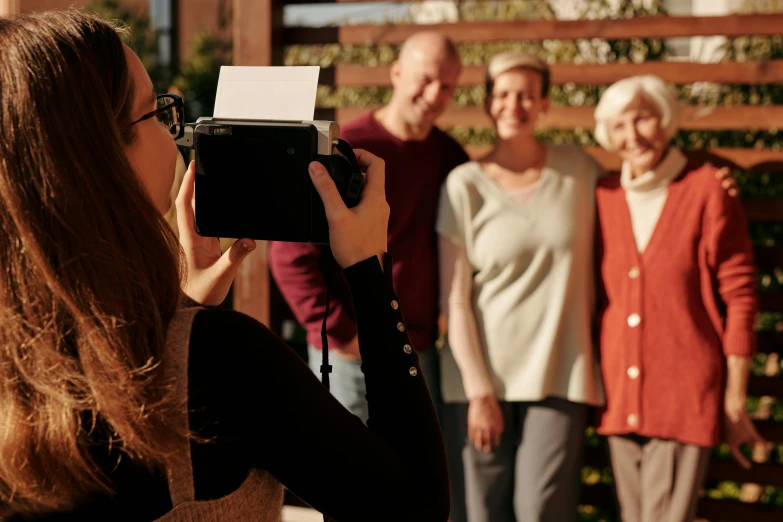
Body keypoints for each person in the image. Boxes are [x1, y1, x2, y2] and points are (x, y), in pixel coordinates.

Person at [0, 10, 449, 522]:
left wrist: (182, 311)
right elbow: (418, 506)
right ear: (100, 156)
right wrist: (369, 271)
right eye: (155, 113)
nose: (175, 136)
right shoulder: (221, 363)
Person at [436, 51, 605, 522]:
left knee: (541, 512)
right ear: (488, 103)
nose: (516, 105)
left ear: (545, 104)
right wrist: (479, 392)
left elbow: (642, 190)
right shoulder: (463, 185)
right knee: (481, 513)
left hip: (560, 373)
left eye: (528, 95)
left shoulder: (579, 171)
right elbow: (455, 298)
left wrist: (705, 180)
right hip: (478, 381)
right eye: (504, 94)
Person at [592, 74, 770, 522]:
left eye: (643, 119)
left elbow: (741, 295)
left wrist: (735, 397)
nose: (632, 136)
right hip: (617, 399)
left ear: (667, 121)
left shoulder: (707, 189)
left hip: (685, 395)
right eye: (619, 126)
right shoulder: (603, 196)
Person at [269, 31, 469, 424]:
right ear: (396, 73)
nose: (434, 95)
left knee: (416, 479)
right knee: (347, 479)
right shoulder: (347, 149)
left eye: (447, 86)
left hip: (418, 351)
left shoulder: (450, 156)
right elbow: (291, 255)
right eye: (425, 79)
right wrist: (345, 335)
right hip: (351, 354)